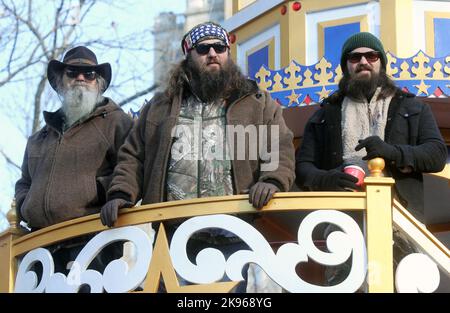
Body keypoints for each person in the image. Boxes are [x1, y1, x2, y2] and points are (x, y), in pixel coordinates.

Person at [100, 22, 295, 291]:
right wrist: (121, 193)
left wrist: (272, 181)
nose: (213, 53)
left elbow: (278, 144)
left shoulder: (256, 102)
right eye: (203, 48)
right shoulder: (159, 107)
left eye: (220, 47)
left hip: (234, 229)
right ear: (188, 56)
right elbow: (133, 156)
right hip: (174, 231)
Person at [295, 32, 447, 285]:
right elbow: (302, 168)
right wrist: (327, 179)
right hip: (341, 224)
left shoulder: (412, 107)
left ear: (381, 63)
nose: (363, 61)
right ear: (346, 66)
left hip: (403, 223)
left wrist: (393, 152)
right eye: (355, 57)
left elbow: (437, 155)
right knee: (343, 288)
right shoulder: (325, 114)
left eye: (371, 55)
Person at [15, 46, 134, 275]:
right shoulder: (39, 138)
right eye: (72, 72)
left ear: (98, 82)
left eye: (88, 74)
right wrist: (25, 204)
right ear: (61, 81)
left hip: (94, 240)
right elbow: (24, 182)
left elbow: (131, 165)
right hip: (41, 245)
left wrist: (114, 194)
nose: (80, 78)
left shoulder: (116, 122)